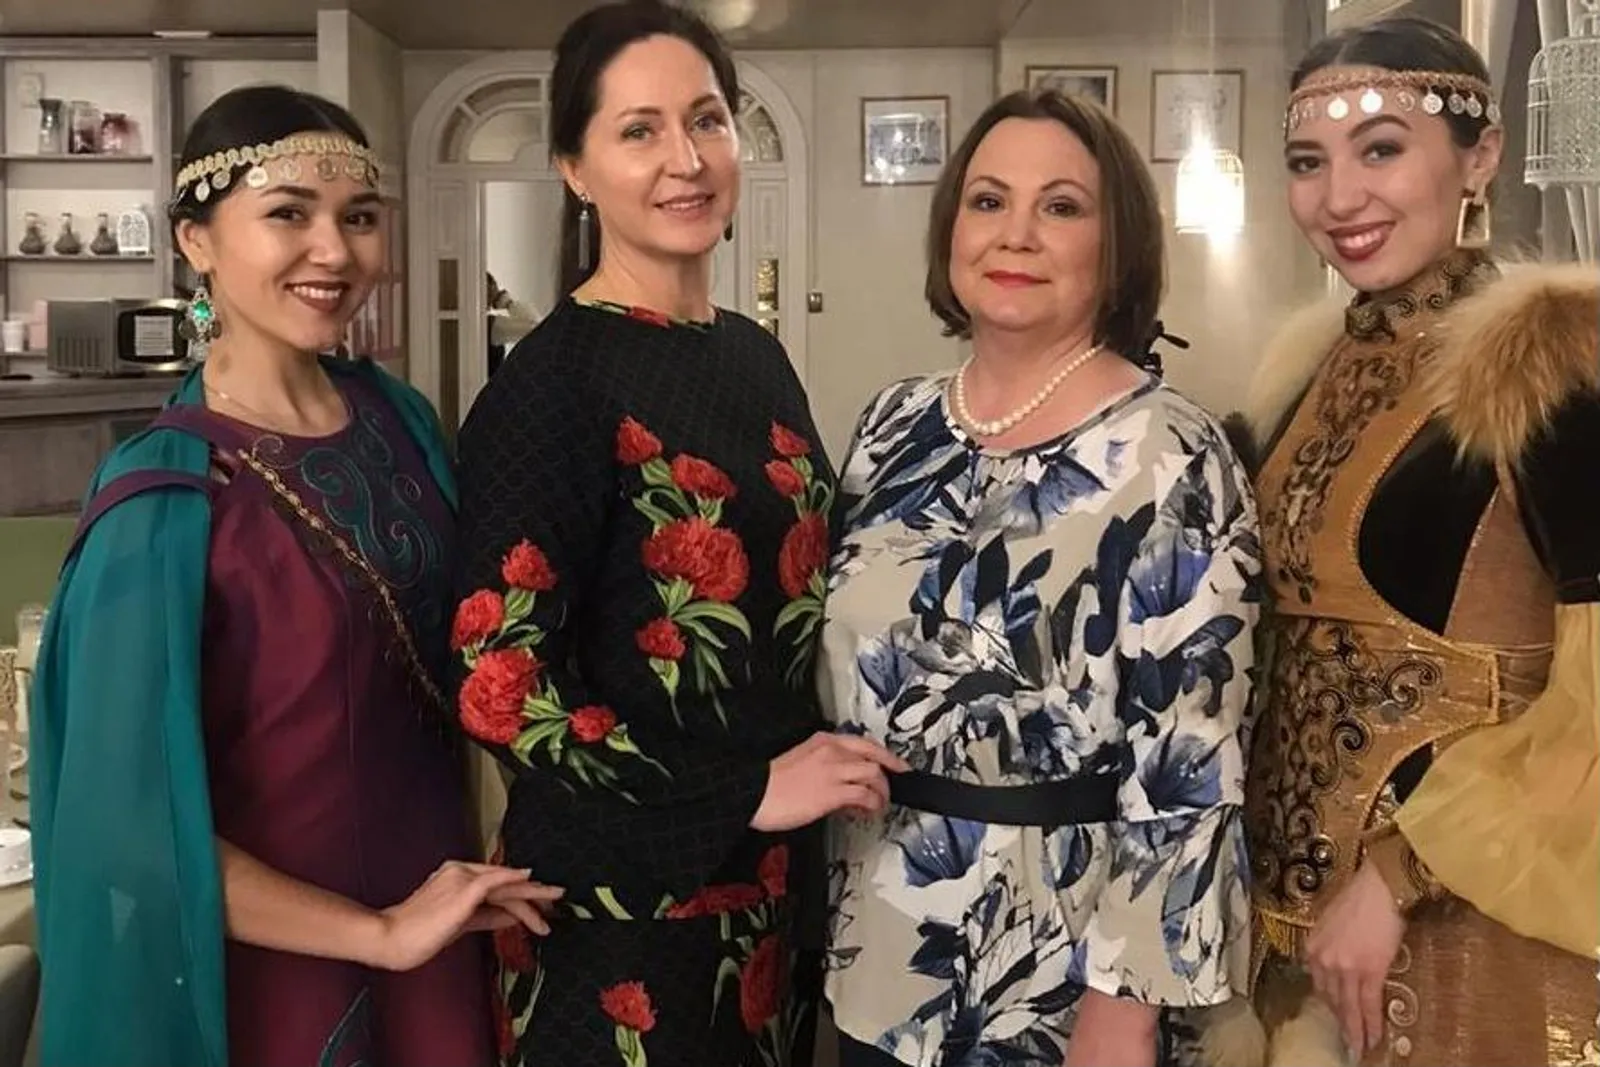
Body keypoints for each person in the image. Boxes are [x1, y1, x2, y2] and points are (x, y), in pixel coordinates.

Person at [29, 85, 558, 1067]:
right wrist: (379, 932)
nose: (334, 251)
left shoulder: (397, 417)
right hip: (288, 961)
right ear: (195, 240)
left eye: (358, 217)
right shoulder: (163, 499)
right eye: (288, 213)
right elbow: (127, 825)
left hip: (441, 910)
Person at [449, 4, 905, 1065]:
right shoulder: (550, 383)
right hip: (617, 918)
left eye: (706, 120)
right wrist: (745, 792)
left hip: (768, 898)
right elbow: (496, 678)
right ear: (574, 168)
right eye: (639, 130)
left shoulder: (753, 356)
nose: (686, 159)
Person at [820, 88, 1263, 1067]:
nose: (1015, 233)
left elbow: (1190, 756)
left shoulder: (1172, 452)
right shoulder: (891, 428)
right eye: (988, 201)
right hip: (876, 949)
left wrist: (1126, 1002)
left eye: (1060, 206)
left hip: (1063, 971)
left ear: (1116, 244)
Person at [1203, 16, 1600, 1067]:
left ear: (1481, 156)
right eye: (1307, 162)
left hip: (1474, 928)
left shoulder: (1546, 358)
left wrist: (1399, 873)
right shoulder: (1306, 371)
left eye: (1380, 149)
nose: (1339, 198)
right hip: (1291, 936)